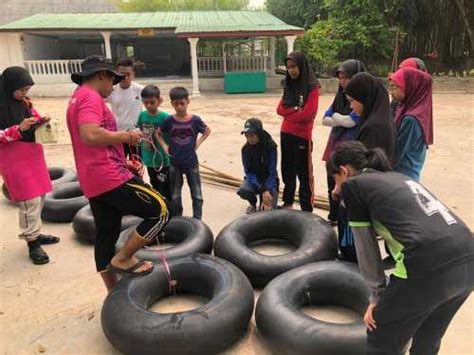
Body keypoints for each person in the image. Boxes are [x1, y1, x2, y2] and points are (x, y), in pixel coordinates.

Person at [328, 141, 473, 355]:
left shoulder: (354, 186)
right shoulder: (398, 177)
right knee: (429, 335)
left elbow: (366, 249)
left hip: (427, 265)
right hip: (468, 258)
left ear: (344, 171)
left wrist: (377, 297)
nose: (335, 187)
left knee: (380, 336)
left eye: (335, 179)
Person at [66, 55, 169, 292]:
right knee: (161, 211)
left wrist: (122, 159)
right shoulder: (91, 98)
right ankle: (123, 258)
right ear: (102, 74)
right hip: (108, 177)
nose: (112, 86)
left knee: (106, 234)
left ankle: (113, 292)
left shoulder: (76, 98)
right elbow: (90, 135)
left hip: (92, 178)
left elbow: (91, 141)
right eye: (112, 79)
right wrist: (127, 137)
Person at [0, 67, 60, 265]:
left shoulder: (25, 103)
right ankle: (32, 242)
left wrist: (41, 120)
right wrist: (19, 128)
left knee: (40, 194)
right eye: (22, 89)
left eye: (27, 89)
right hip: (13, 157)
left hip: (31, 154)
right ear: (10, 86)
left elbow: (33, 117)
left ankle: (35, 233)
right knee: (29, 200)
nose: (25, 93)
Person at [321, 59, 366, 262]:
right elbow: (325, 119)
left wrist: (337, 119)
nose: (342, 83)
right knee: (335, 188)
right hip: (335, 148)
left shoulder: (364, 97)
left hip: (351, 154)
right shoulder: (340, 97)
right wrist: (341, 118)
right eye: (340, 78)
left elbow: (351, 120)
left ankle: (352, 252)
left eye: (346, 78)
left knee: (349, 199)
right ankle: (335, 219)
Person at [157, 87, 210, 220]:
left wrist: (197, 143)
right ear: (172, 104)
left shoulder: (195, 120)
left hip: (191, 162)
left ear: (188, 102)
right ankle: (178, 219)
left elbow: (207, 131)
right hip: (175, 163)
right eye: (176, 104)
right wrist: (164, 146)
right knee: (175, 194)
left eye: (182, 103)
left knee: (197, 194)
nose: (179, 107)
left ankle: (197, 220)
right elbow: (158, 133)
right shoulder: (169, 121)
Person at [277, 51, 320, 212]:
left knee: (304, 173)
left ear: (301, 65)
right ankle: (288, 202)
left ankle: (307, 208)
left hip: (302, 136)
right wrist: (296, 111)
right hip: (286, 134)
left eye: (294, 66)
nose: (291, 71)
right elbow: (279, 109)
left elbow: (308, 114)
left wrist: (291, 113)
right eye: (288, 68)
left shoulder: (312, 87)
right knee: (287, 170)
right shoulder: (289, 85)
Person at [389, 67, 433, 181]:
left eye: (395, 87)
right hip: (410, 172)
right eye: (390, 87)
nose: (391, 92)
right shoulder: (409, 108)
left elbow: (396, 153)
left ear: (409, 87)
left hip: (403, 175)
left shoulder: (411, 119)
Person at [344, 72, 397, 163]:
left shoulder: (373, 127)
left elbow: (364, 164)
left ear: (365, 98)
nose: (351, 106)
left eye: (352, 100)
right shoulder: (383, 119)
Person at [137, 84, 171, 200]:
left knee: (166, 188)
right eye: (145, 103)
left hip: (163, 160)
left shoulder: (165, 118)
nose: (149, 105)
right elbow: (140, 131)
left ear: (159, 101)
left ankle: (170, 211)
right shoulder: (142, 116)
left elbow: (173, 137)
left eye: (152, 102)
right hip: (149, 159)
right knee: (154, 186)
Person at [238, 118, 279, 213]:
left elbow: (272, 172)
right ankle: (253, 203)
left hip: (269, 181)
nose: (249, 139)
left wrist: (267, 189)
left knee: (265, 212)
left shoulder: (271, 147)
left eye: (252, 135)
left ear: (259, 133)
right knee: (243, 190)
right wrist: (262, 189)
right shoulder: (245, 149)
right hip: (255, 181)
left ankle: (269, 199)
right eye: (247, 136)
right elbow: (249, 172)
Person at [106, 58, 143, 158]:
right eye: (122, 74)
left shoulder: (140, 90)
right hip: (118, 136)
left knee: (136, 166)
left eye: (128, 74)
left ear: (133, 74)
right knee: (119, 165)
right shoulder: (111, 90)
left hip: (135, 136)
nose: (125, 77)